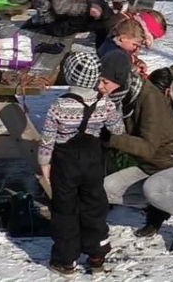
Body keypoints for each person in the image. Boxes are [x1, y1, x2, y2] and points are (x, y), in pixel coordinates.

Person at [40, 51, 125, 275]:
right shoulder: (104, 103)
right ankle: (96, 256)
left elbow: (48, 138)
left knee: (65, 210)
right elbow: (118, 129)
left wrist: (44, 164)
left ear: (68, 75)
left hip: (65, 162)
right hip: (93, 160)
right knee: (94, 205)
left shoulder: (58, 106)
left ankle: (66, 260)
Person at [104, 74, 173, 253]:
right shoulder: (121, 98)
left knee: (153, 189)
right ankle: (159, 208)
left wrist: (111, 139)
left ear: (120, 80)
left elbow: (148, 148)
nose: (100, 86)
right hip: (151, 167)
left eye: (105, 82)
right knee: (106, 188)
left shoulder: (149, 99)